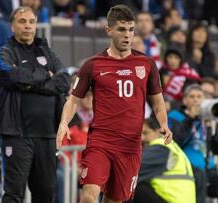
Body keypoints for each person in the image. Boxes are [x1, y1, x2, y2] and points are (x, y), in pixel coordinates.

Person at [56, 5, 173, 203]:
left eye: (130, 29)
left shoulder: (146, 64)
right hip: (100, 142)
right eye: (121, 29)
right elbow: (74, 99)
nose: (127, 35)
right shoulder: (93, 64)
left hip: (130, 146)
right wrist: (63, 123)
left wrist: (163, 123)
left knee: (115, 200)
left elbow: (158, 101)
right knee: (88, 197)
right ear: (109, 30)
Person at [0, 6, 71, 203]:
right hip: (16, 134)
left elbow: (64, 81)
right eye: (22, 21)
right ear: (12, 26)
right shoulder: (4, 52)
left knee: (46, 194)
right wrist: (46, 75)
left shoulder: (47, 51)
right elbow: (13, 76)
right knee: (14, 193)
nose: (27, 26)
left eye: (31, 22)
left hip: (47, 135)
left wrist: (29, 84)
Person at [168, 84, 218, 203]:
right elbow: (176, 141)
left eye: (199, 96)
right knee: (199, 177)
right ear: (185, 100)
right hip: (185, 169)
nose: (196, 100)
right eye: (192, 97)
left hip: (208, 170)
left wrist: (213, 129)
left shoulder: (206, 118)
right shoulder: (175, 116)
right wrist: (190, 119)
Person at [131, 117, 195, 203]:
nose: (142, 138)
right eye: (140, 135)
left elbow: (134, 169)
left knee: (132, 184)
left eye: (146, 133)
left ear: (158, 132)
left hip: (170, 200)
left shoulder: (160, 148)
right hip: (178, 200)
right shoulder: (173, 147)